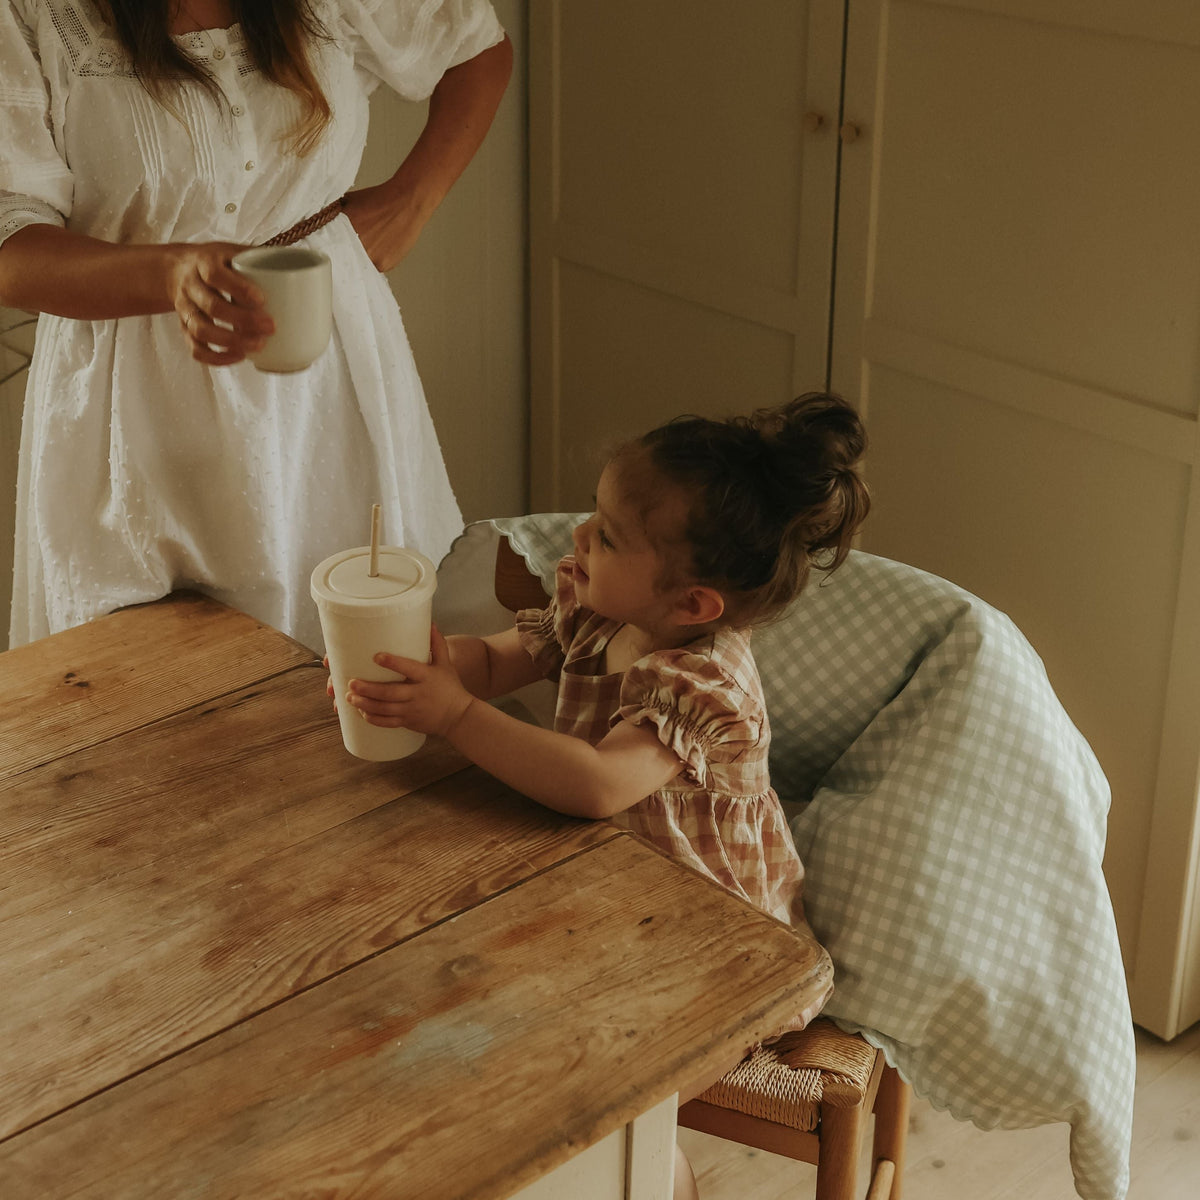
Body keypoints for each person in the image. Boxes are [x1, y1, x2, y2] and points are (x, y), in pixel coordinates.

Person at [340, 391, 871, 1200]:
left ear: (693, 604)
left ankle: (658, 1172)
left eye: (608, 535)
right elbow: (493, 662)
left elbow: (596, 785)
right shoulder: (596, 611)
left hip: (712, 947)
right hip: (607, 894)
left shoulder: (703, 682)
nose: (579, 537)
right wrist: (431, 670)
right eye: (593, 516)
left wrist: (454, 716)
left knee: (589, 1088)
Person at [0, 0, 512, 651]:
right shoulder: (31, 11)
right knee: (152, 701)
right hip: (132, 415)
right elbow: (11, 249)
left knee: (369, 673)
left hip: (332, 389)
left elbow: (476, 48)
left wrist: (414, 199)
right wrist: (169, 275)